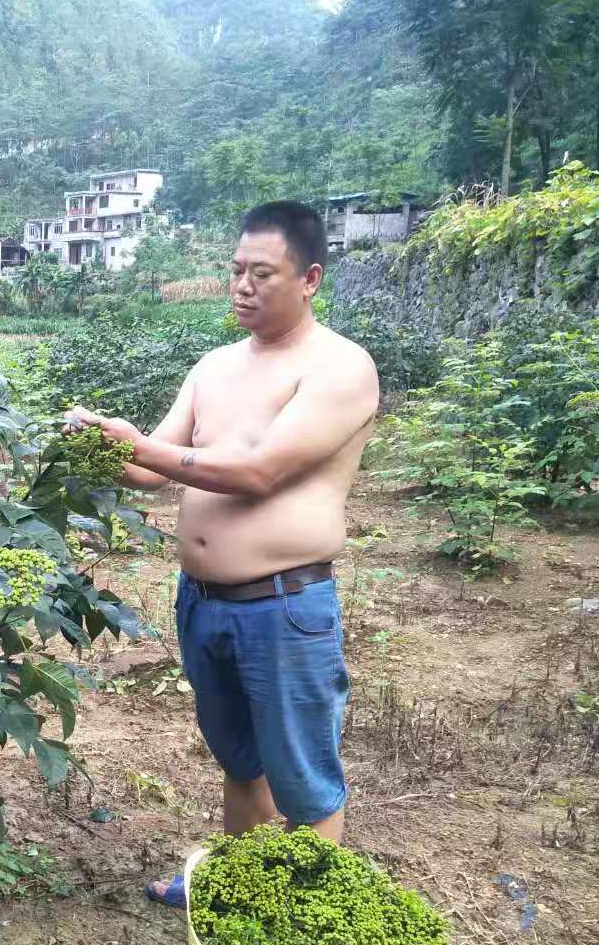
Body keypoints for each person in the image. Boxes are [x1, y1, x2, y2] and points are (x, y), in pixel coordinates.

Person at [64, 201, 379, 908]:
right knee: (241, 764)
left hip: (284, 608)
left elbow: (260, 471)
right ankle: (237, 894)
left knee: (305, 783)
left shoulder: (339, 367)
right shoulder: (213, 367)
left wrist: (140, 445)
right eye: (235, 270)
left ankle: (301, 923)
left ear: (310, 279)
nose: (242, 285)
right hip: (204, 604)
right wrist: (94, 443)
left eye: (261, 273)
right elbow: (149, 471)